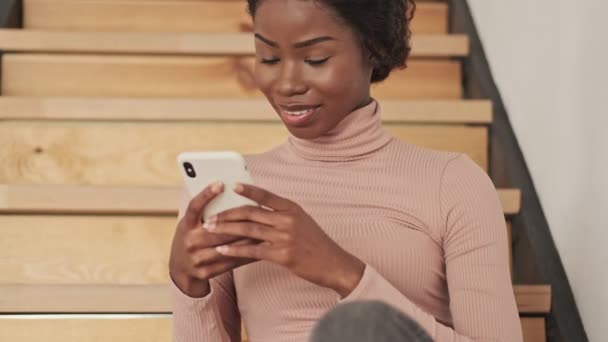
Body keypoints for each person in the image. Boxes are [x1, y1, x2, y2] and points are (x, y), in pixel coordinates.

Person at [168, 0, 524, 341]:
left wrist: (343, 273)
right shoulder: (230, 191)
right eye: (270, 57)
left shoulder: (453, 184)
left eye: (315, 59)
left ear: (374, 49)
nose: (288, 83)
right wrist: (189, 289)